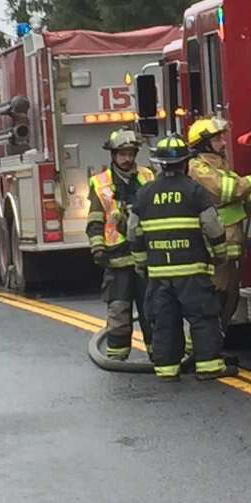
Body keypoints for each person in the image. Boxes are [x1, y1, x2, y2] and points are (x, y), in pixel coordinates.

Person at [128, 134, 234, 382]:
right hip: (192, 273)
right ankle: (208, 367)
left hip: (159, 274)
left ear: (159, 164)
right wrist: (221, 256)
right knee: (203, 318)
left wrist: (142, 263)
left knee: (164, 322)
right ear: (185, 163)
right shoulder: (195, 191)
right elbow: (213, 227)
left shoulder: (145, 194)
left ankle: (167, 370)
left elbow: (134, 232)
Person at [186, 117, 251, 326]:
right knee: (214, 298)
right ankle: (201, 348)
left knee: (228, 298)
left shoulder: (219, 166)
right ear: (204, 144)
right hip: (215, 246)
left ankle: (213, 346)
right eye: (217, 139)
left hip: (230, 242)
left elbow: (238, 197)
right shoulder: (198, 168)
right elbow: (227, 190)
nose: (223, 143)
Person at [86, 129, 155, 360]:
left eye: (130, 153)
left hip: (147, 258)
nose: (127, 159)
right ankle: (117, 356)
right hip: (117, 260)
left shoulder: (148, 177)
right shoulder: (101, 183)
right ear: (113, 155)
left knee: (152, 309)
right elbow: (95, 220)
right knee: (119, 310)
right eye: (122, 154)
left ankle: (160, 354)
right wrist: (97, 248)